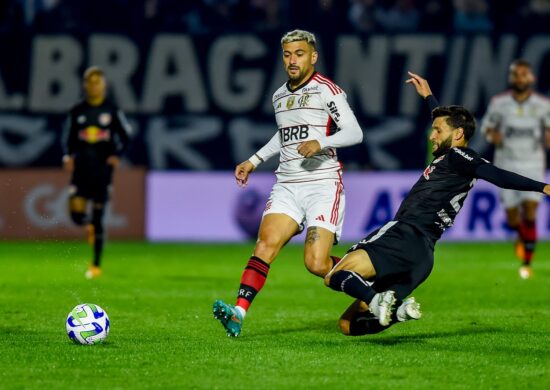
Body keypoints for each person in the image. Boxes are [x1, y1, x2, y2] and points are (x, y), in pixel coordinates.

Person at [323, 71, 550, 336]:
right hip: (422, 257)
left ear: (458, 135)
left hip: (403, 234)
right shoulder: (454, 156)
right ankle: (398, 312)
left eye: (437, 130)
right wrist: (430, 98)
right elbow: (449, 124)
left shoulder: (459, 156)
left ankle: (376, 300)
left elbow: (498, 176)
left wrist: (542, 186)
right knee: (348, 325)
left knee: (335, 275)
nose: (432, 135)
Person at [213, 29, 364, 337]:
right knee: (265, 244)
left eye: (299, 54)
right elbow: (283, 136)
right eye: (287, 54)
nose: (292, 60)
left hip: (322, 183)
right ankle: (238, 312)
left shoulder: (327, 91)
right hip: (287, 185)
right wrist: (253, 160)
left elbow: (354, 132)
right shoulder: (279, 96)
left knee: (316, 263)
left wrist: (320, 141)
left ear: (313, 56)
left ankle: (370, 283)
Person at [481, 59, 550, 279]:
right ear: (511, 78)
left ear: (531, 78)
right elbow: (487, 129)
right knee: (513, 220)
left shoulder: (543, 105)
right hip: (507, 164)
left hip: (533, 164)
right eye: (516, 75)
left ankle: (527, 262)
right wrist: (493, 135)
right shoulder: (498, 103)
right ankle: (521, 236)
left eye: (524, 74)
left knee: (530, 211)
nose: (520, 78)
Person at [62, 66, 131, 279]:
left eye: (97, 82)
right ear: (85, 85)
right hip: (81, 168)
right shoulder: (77, 111)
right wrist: (68, 156)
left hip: (102, 169)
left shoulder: (111, 110)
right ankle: (87, 224)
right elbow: (69, 137)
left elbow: (126, 135)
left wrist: (117, 155)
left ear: (104, 86)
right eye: (90, 82)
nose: (93, 86)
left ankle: (96, 265)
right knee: (76, 214)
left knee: (99, 215)